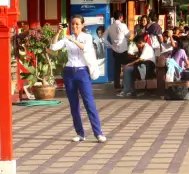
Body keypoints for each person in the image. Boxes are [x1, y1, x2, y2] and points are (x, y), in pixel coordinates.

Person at [51, 15, 106, 143]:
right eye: (73, 24)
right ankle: (80, 133)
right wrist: (58, 33)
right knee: (73, 105)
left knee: (89, 103)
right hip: (69, 72)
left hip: (82, 72)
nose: (74, 26)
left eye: (77, 24)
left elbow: (85, 48)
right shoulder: (67, 38)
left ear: (82, 25)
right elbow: (53, 47)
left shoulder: (87, 37)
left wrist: (73, 40)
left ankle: (98, 133)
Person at [106, 12, 131, 90]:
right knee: (125, 67)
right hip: (123, 49)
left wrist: (110, 45)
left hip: (115, 50)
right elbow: (128, 35)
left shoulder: (110, 27)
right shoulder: (123, 25)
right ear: (120, 17)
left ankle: (117, 86)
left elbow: (103, 38)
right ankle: (125, 85)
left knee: (117, 68)